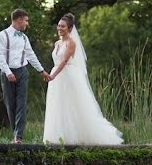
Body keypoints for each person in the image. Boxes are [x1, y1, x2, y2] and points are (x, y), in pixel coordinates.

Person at [43, 13, 123, 146]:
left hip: (67, 74)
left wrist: (53, 75)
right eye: (58, 26)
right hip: (56, 76)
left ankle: (75, 136)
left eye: (63, 26)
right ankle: (57, 136)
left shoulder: (71, 43)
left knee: (71, 104)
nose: (59, 28)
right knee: (57, 104)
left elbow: (64, 61)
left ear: (69, 28)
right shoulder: (57, 43)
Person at [0, 9, 51, 144]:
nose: (27, 23)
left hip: (22, 72)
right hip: (7, 72)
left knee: (21, 104)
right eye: (26, 20)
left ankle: (18, 136)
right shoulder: (2, 36)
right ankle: (15, 134)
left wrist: (41, 70)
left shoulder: (24, 37)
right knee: (10, 104)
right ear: (19, 20)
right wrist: (8, 72)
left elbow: (30, 55)